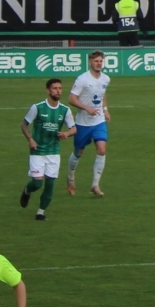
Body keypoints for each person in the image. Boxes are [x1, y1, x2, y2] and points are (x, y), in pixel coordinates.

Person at [20, 78, 76, 221]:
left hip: (53, 151)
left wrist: (67, 134)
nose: (58, 91)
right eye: (55, 88)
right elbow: (24, 125)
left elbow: (74, 128)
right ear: (48, 90)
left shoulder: (64, 110)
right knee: (37, 183)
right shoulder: (37, 107)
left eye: (60, 88)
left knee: (50, 184)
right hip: (37, 151)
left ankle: (40, 212)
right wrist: (30, 139)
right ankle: (27, 190)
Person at [66, 50, 112, 197]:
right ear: (90, 62)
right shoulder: (82, 79)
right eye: (96, 61)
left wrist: (105, 109)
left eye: (100, 61)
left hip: (98, 121)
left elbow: (102, 94)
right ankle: (71, 178)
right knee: (78, 153)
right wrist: (87, 108)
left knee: (102, 150)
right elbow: (71, 99)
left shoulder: (105, 79)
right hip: (82, 123)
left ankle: (95, 185)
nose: (98, 63)